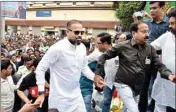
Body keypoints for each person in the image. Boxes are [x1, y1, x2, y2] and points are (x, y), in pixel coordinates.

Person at [95, 21, 176, 112]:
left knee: (129, 108)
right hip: (122, 83)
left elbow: (159, 65)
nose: (147, 35)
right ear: (134, 33)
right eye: (143, 32)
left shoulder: (150, 49)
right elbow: (103, 57)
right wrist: (97, 74)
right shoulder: (122, 46)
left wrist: (169, 75)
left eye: (147, 32)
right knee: (133, 109)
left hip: (137, 87)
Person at [35, 20, 105, 112]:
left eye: (82, 32)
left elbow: (84, 67)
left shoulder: (82, 48)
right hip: (59, 99)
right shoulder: (57, 48)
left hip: (76, 96)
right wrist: (41, 92)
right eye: (76, 32)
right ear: (67, 32)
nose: (79, 35)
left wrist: (94, 78)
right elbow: (40, 68)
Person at [151, 9, 176, 112]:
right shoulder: (166, 37)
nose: (170, 26)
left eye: (173, 23)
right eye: (170, 23)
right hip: (165, 80)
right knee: (160, 103)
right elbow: (150, 48)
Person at [80, 32, 112, 112]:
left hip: (106, 82)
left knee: (105, 102)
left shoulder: (112, 51)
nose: (96, 45)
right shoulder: (97, 54)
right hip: (88, 84)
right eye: (96, 43)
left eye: (98, 43)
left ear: (106, 43)